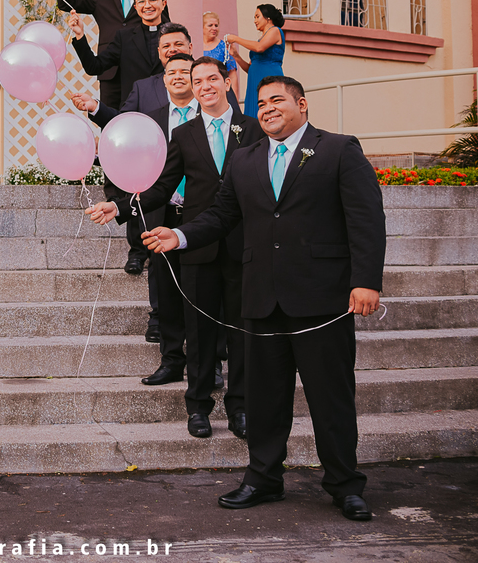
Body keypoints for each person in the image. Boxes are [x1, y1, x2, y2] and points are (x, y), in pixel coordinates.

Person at [142, 76, 385, 521]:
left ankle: (345, 484)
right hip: (260, 298)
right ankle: (263, 478)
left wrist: (366, 280)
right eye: (261, 102)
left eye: (278, 100)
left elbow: (366, 218)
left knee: (330, 397)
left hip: (321, 298)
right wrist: (179, 235)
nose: (268, 108)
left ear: (302, 104)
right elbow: (221, 215)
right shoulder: (245, 158)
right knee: (264, 399)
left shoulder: (338, 149)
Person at [86, 57, 265, 440]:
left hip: (243, 246)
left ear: (227, 82)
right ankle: (198, 407)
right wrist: (120, 206)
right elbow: (162, 187)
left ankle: (240, 407)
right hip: (196, 246)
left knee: (241, 333)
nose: (205, 86)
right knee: (198, 333)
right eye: (198, 81)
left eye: (212, 79)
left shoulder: (252, 129)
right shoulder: (184, 134)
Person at [71, 54, 197, 354]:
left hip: (200, 209)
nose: (178, 76)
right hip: (160, 203)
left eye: (185, 71)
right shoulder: (151, 118)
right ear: (163, 80)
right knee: (160, 271)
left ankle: (208, 357)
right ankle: (168, 349)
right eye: (172, 72)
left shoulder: (211, 118)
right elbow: (123, 124)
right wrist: (96, 107)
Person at [69, 0, 172, 275]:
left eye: (153, 0)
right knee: (134, 184)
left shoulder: (174, 35)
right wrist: (80, 37)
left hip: (172, 117)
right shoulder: (125, 36)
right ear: (135, 7)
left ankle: (166, 245)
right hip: (135, 119)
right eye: (142, 1)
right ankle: (137, 251)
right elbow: (95, 66)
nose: (147, 5)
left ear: (163, 3)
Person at [57, 0, 143, 108]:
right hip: (110, 73)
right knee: (110, 120)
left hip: (142, 72)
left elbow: (164, 30)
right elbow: (65, 4)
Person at [225, 4, 285, 119]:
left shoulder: (275, 30)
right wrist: (236, 56)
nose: (255, 21)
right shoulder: (260, 40)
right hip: (254, 82)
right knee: (253, 114)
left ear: (268, 18)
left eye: (257, 17)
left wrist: (236, 39)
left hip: (270, 78)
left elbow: (259, 47)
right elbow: (250, 68)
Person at [201, 12, 240, 101]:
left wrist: (235, 99)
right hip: (202, 90)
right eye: (210, 25)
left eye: (216, 25)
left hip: (220, 90)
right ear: (202, 27)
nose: (214, 28)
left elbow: (232, 74)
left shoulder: (224, 46)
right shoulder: (197, 45)